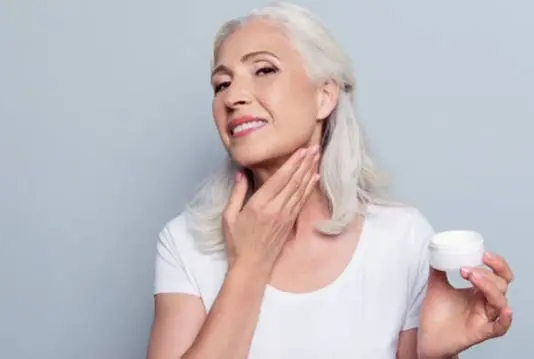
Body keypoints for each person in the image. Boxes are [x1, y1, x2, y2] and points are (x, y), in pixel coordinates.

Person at [146, 2, 514, 358]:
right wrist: (249, 264)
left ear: (325, 96)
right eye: (221, 84)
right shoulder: (185, 245)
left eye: (263, 70)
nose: (233, 97)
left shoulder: (402, 238)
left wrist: (435, 357)